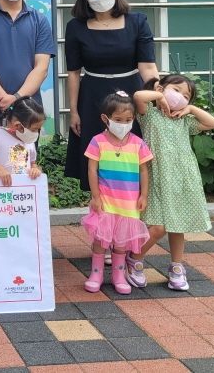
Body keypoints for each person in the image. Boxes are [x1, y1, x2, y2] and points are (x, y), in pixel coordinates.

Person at [64, 0, 160, 193]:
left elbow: (147, 67)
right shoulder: (75, 27)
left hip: (132, 95)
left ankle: (134, 203)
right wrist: (74, 112)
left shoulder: (137, 21)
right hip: (92, 97)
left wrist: (159, 96)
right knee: (96, 155)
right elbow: (74, 73)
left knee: (133, 152)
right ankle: (99, 204)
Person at [127, 75, 214, 292]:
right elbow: (138, 96)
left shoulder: (184, 120)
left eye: (186, 96)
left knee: (178, 225)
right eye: (176, 90)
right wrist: (160, 96)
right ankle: (135, 258)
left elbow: (212, 123)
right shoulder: (149, 114)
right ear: (161, 88)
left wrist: (190, 109)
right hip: (156, 177)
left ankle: (177, 266)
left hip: (183, 178)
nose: (180, 97)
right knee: (158, 227)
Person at [81, 92, 152, 296]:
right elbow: (92, 169)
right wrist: (95, 196)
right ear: (106, 118)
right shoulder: (98, 141)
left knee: (121, 243)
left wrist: (143, 195)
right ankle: (96, 275)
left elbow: (144, 170)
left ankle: (118, 276)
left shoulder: (138, 143)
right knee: (100, 241)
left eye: (128, 120)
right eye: (118, 120)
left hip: (128, 204)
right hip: (105, 201)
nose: (123, 124)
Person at [0, 96, 45, 186]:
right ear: (17, 125)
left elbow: (32, 163)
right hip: (2, 189)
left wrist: (35, 169)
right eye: (34, 129)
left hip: (24, 190)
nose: (36, 133)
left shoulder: (29, 140)